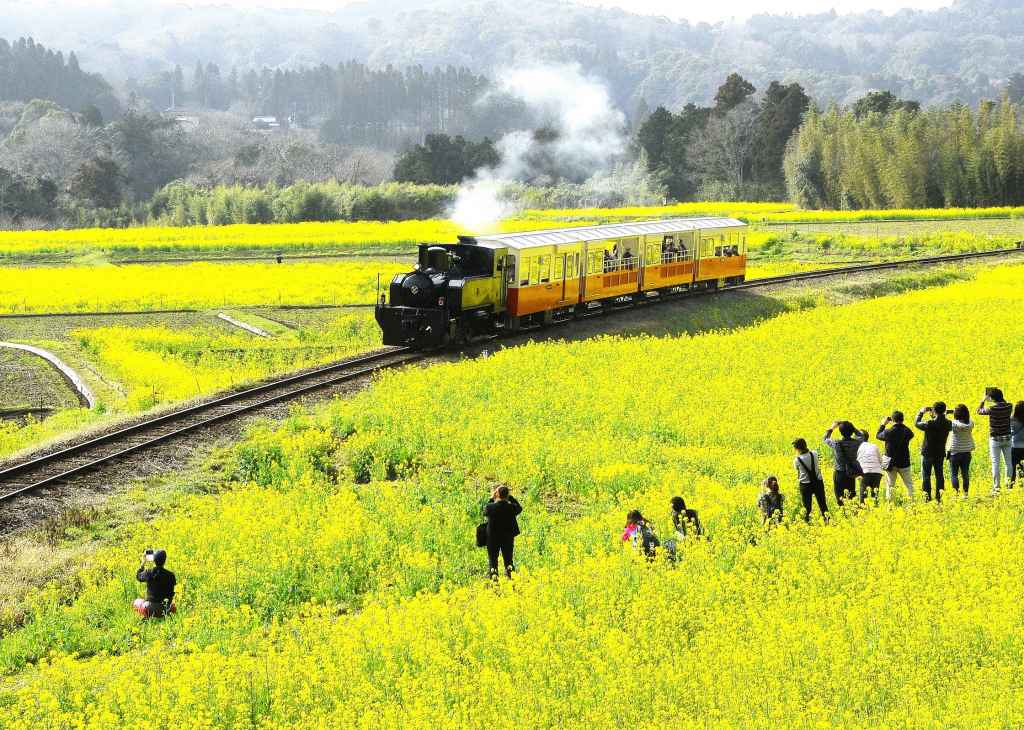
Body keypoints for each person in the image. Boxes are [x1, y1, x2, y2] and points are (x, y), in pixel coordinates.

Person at [978, 388, 1014, 494]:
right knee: (1008, 463)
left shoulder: (992, 409)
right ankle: (1009, 486)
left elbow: (979, 411)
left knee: (995, 463)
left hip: (995, 439)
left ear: (992, 398)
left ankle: (996, 487)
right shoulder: (1009, 406)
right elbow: (1004, 403)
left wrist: (983, 400)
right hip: (1007, 438)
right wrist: (997, 397)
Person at [916, 402, 953, 502]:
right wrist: (943, 414)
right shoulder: (948, 423)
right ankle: (939, 498)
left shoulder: (930, 423)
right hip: (940, 453)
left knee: (926, 475)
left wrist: (921, 412)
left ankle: (927, 498)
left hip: (927, 452)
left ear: (934, 411)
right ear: (944, 410)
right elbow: (943, 421)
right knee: (939, 475)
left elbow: (917, 423)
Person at [483, 485, 522, 579]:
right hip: (507, 538)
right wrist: (510, 497)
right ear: (507, 495)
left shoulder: (490, 507)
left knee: (493, 561)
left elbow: (484, 512)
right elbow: (519, 508)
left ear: (497, 494)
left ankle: (494, 581)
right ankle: (511, 579)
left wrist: (492, 498)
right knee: (508, 561)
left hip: (492, 539)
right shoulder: (511, 507)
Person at [823, 421, 864, 506]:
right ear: (852, 431)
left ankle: (843, 512)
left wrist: (832, 427)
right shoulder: (856, 442)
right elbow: (862, 436)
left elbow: (825, 439)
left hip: (840, 473)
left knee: (840, 495)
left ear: (840, 432)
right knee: (851, 494)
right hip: (851, 472)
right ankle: (854, 514)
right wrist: (853, 429)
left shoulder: (836, 443)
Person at [876, 411, 915, 501]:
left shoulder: (888, 432)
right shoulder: (906, 431)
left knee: (890, 485)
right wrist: (900, 424)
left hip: (890, 463)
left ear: (892, 420)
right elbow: (911, 434)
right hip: (904, 462)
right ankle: (912, 503)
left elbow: (878, 435)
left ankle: (890, 506)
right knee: (909, 484)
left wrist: (883, 424)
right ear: (903, 419)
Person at [792, 438, 829, 522]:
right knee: (823, 505)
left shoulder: (797, 460)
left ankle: (806, 523)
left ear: (797, 449)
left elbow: (797, 470)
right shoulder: (815, 454)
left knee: (807, 508)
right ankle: (827, 521)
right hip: (818, 482)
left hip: (805, 485)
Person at [133, 549, 177, 618]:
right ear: (165, 560)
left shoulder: (149, 572)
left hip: (149, 609)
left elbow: (138, 576)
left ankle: (145, 617)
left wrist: (143, 562)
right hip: (166, 610)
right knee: (173, 605)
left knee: (136, 602)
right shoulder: (171, 575)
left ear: (154, 560)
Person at [947, 403, 976, 496]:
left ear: (956, 414)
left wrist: (947, 412)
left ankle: (956, 494)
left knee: (954, 474)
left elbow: (945, 420)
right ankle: (965, 494)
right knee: (965, 474)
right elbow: (964, 420)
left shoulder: (953, 424)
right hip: (967, 452)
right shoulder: (971, 423)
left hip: (955, 452)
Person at [856, 430, 884, 503]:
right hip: (877, 473)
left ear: (860, 438)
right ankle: (876, 511)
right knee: (875, 495)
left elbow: (856, 461)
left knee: (863, 496)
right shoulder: (874, 445)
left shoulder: (857, 447)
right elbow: (881, 461)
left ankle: (862, 512)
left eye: (856, 436)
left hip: (864, 473)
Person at [1012, 401, 1024, 486]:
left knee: (1012, 469)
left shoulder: (1011, 419)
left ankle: (1010, 486)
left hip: (1014, 447)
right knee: (1022, 469)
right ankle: (1021, 487)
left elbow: (1010, 432)